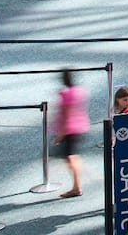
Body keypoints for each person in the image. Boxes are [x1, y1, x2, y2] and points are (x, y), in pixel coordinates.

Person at [51, 70, 88, 199]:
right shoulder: (79, 92)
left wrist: (60, 135)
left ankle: (77, 187)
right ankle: (76, 186)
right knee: (72, 156)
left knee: (71, 158)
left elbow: (66, 116)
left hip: (69, 130)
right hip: (79, 127)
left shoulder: (66, 95)